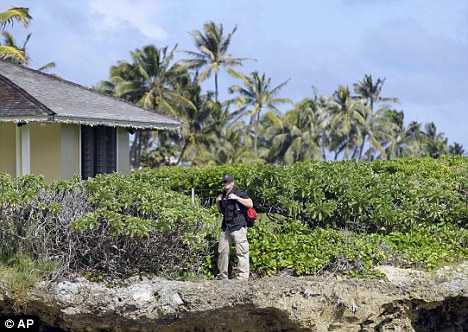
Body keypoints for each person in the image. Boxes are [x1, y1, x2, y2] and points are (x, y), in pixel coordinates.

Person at [216, 174, 253, 280]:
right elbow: (221, 211)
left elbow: (250, 204)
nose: (225, 184)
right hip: (226, 227)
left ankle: (242, 277)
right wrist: (218, 202)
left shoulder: (239, 193)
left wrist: (236, 198)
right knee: (222, 252)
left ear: (233, 182)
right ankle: (222, 276)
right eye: (224, 182)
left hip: (238, 226)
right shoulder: (222, 195)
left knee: (242, 252)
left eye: (227, 182)